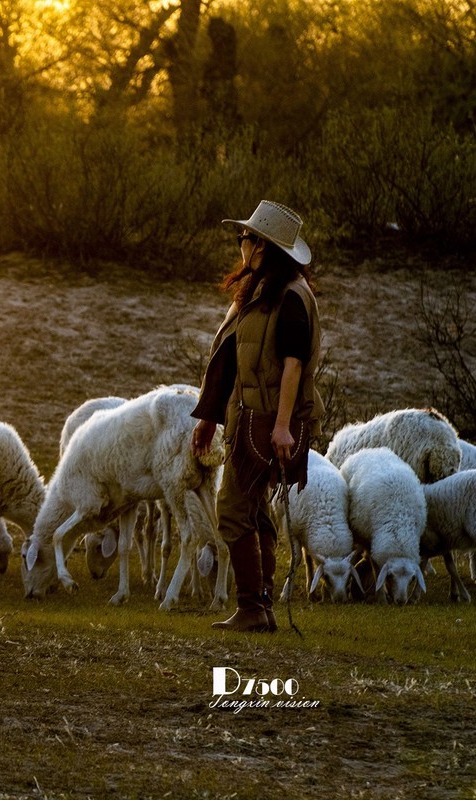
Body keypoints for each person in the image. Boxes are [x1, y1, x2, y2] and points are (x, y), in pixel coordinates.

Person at [191, 200, 324, 633]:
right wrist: (210, 416)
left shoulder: (289, 297)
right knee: (254, 511)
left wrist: (282, 425)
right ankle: (260, 608)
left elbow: (293, 364)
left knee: (231, 509)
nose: (241, 244)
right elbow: (228, 356)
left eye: (246, 238)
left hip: (267, 420)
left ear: (264, 245)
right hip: (251, 417)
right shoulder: (261, 291)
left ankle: (252, 607)